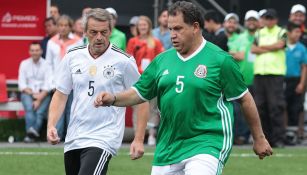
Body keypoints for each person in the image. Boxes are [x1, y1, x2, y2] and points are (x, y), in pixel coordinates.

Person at [95, 1, 272, 175]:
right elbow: (138, 93)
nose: (172, 34)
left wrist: (259, 138)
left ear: (195, 27)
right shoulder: (162, 61)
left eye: (178, 29)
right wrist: (113, 98)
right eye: (170, 29)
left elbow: (244, 98)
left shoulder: (220, 60)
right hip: (168, 145)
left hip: (207, 142)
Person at [47, 8, 145, 175]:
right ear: (84, 31)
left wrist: (139, 139)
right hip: (75, 136)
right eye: (93, 32)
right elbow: (61, 94)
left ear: (110, 31)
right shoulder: (72, 56)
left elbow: (141, 99)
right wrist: (51, 125)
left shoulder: (124, 61)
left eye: (103, 32)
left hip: (104, 137)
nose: (99, 37)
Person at [251, 9, 287, 148]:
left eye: (271, 18)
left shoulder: (281, 31)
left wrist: (262, 47)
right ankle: (265, 139)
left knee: (275, 107)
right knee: (260, 107)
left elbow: (280, 45)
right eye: (267, 18)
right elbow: (253, 49)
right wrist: (271, 48)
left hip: (275, 74)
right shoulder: (259, 33)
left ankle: (279, 138)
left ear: (276, 20)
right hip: (260, 74)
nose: (269, 20)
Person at [127, 15, 164, 145]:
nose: (142, 27)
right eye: (140, 25)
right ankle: (139, 135)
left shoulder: (156, 42)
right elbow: (129, 60)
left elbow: (160, 60)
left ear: (149, 26)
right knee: (137, 107)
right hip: (137, 79)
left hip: (152, 79)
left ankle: (152, 135)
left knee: (153, 108)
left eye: (145, 24)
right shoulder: (132, 41)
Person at [46, 15, 80, 141]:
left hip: (73, 80)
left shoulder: (77, 41)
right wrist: (51, 82)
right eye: (60, 25)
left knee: (71, 108)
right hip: (57, 81)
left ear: (70, 27)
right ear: (57, 27)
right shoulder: (51, 42)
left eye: (66, 25)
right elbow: (48, 64)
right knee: (58, 107)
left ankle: (71, 136)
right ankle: (56, 134)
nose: (63, 28)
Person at [229, 10, 260, 144]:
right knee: (241, 111)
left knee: (258, 108)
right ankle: (242, 136)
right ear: (245, 22)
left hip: (259, 79)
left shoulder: (262, 37)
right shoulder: (239, 37)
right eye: (249, 20)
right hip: (242, 79)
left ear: (258, 22)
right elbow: (234, 54)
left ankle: (256, 136)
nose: (251, 22)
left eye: (254, 20)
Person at [18, 42, 52, 142]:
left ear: (41, 51)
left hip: (44, 93)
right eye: (32, 50)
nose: (35, 52)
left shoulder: (47, 64)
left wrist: (39, 98)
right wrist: (33, 95)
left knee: (40, 112)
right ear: (29, 52)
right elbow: (22, 84)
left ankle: (30, 135)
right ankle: (32, 133)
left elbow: (49, 84)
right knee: (29, 108)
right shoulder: (24, 64)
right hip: (28, 93)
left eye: (37, 50)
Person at [284, 22, 307, 145]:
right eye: (296, 32)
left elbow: (304, 67)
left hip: (296, 80)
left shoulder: (302, 48)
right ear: (289, 33)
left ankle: (292, 134)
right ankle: (282, 132)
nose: (298, 34)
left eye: (299, 32)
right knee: (282, 106)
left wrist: (302, 84)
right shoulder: (282, 47)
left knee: (295, 107)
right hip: (282, 80)